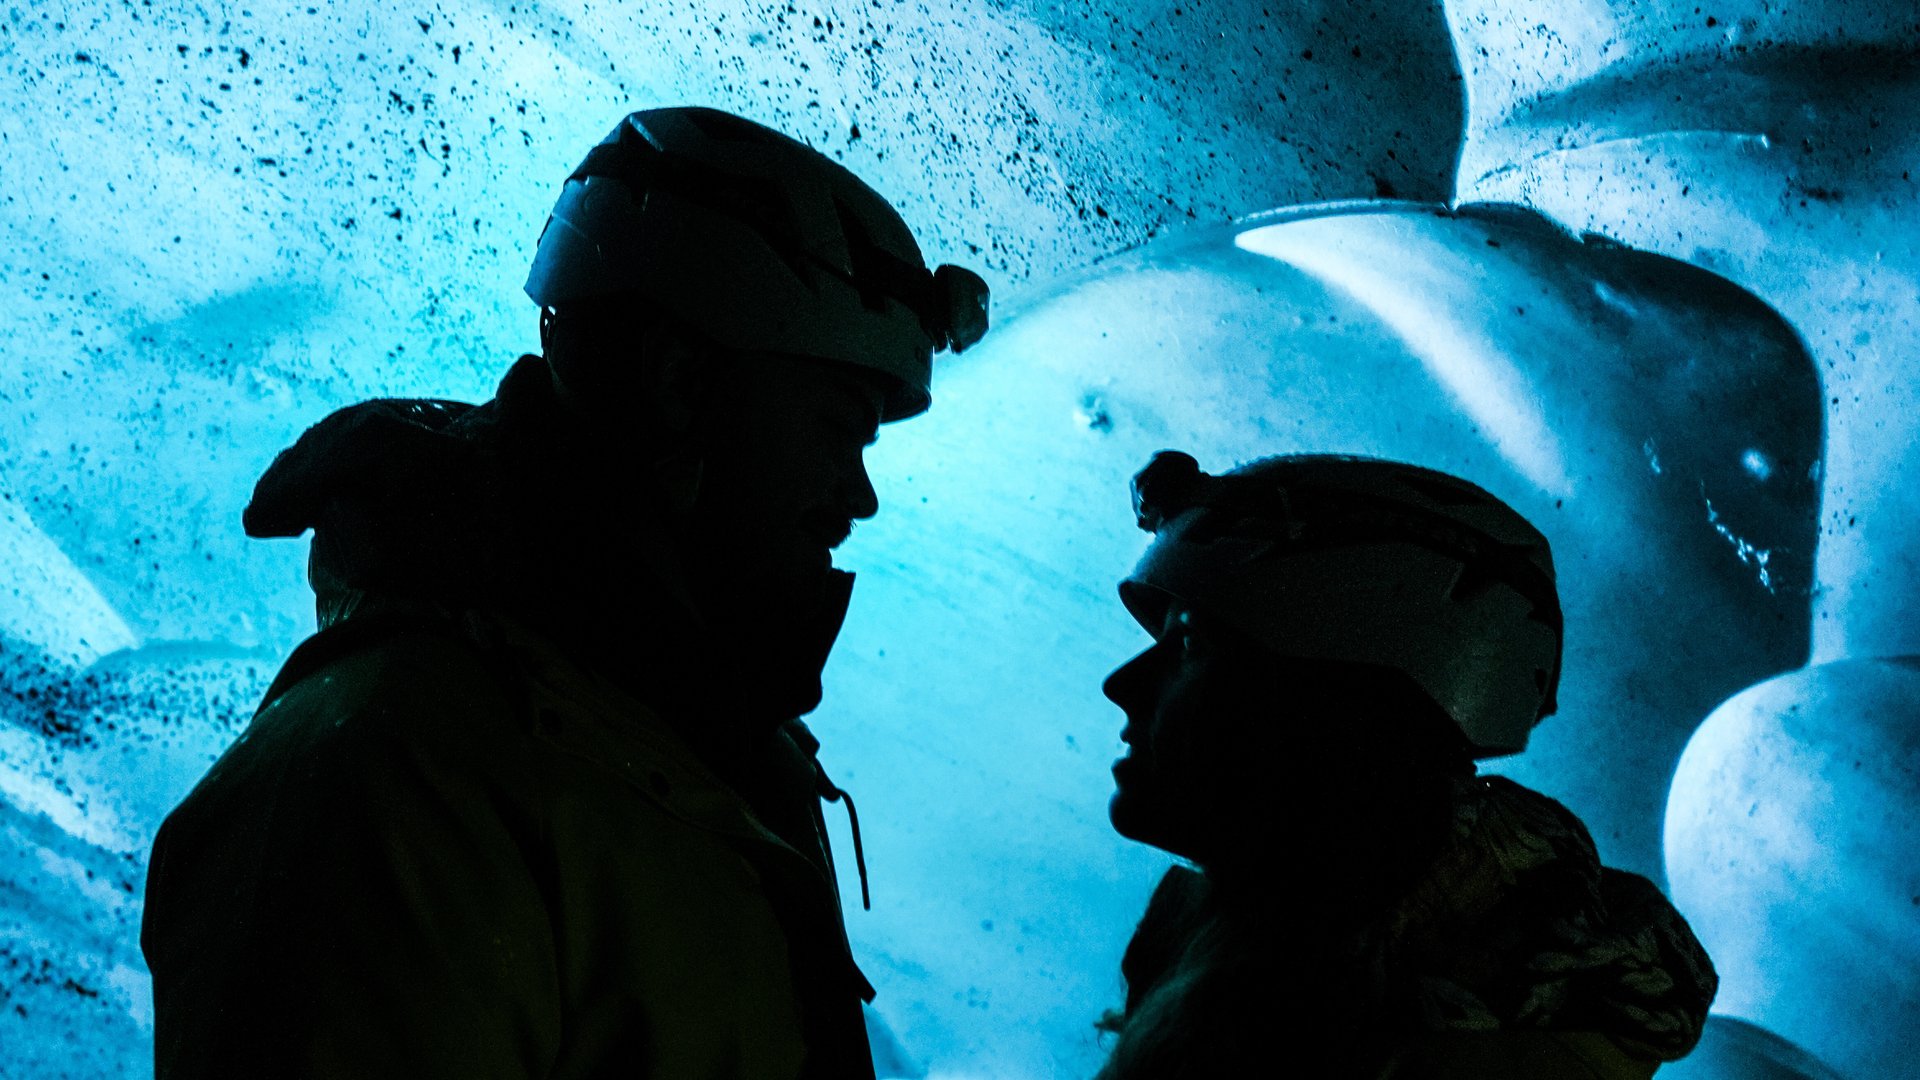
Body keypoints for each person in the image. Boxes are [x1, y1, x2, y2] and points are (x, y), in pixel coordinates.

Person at [140, 107, 988, 1080]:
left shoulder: (686, 747)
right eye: (838, 428)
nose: (859, 496)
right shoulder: (397, 781)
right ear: (681, 387)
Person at [1094, 450, 1718, 1078]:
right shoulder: (1305, 976)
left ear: (1341, 713)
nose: (1121, 684)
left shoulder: (1395, 1041)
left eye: (1191, 645)